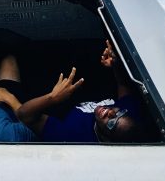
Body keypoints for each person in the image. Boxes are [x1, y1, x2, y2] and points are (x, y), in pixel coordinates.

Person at [17, 39, 147, 143]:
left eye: (112, 123)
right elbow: (123, 85)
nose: (111, 112)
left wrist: (53, 97)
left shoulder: (73, 136)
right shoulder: (130, 118)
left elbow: (24, 115)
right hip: (84, 82)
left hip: (52, 99)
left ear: (107, 141)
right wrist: (115, 64)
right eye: (119, 113)